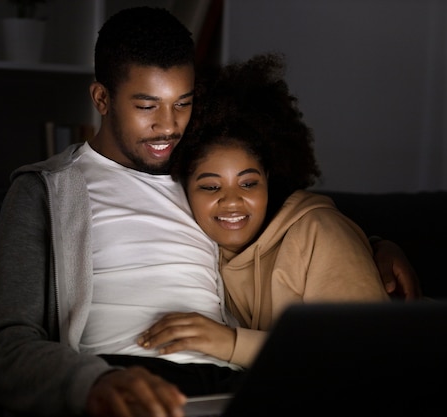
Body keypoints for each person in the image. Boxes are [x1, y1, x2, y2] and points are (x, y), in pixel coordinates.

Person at [0, 6, 420, 417]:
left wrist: (373, 245)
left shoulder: (204, 174)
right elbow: (2, 346)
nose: (168, 126)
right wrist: (94, 382)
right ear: (102, 98)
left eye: (182, 104)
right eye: (146, 106)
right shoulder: (46, 190)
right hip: (122, 378)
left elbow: (286, 224)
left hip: (232, 380)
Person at [137, 53, 390, 367]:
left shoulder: (319, 232)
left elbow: (364, 357)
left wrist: (229, 342)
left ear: (269, 179)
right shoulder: (198, 249)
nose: (232, 201)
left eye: (248, 183)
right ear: (185, 189)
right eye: (211, 186)